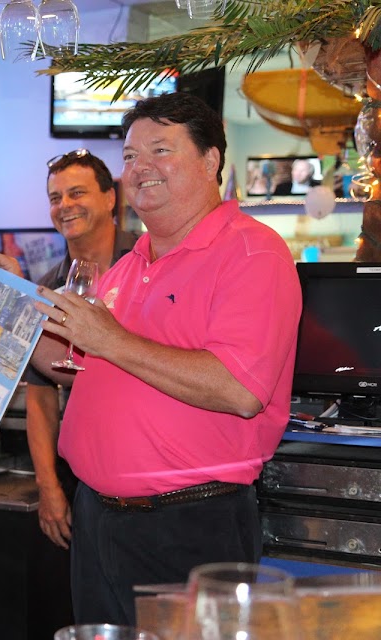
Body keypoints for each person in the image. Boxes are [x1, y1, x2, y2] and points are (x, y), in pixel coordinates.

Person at [30, 92, 302, 625]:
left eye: (160, 149)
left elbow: (239, 389)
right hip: (98, 520)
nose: (140, 167)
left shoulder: (253, 252)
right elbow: (77, 367)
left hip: (188, 524)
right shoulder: (131, 264)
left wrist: (110, 339)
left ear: (210, 160)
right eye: (131, 156)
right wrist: (4, 314)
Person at [0, 149, 140, 551]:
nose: (65, 205)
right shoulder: (50, 286)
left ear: (110, 198)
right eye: (56, 198)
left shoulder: (148, 263)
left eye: (77, 193)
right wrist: (48, 486)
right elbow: (41, 397)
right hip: (85, 475)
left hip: (151, 469)